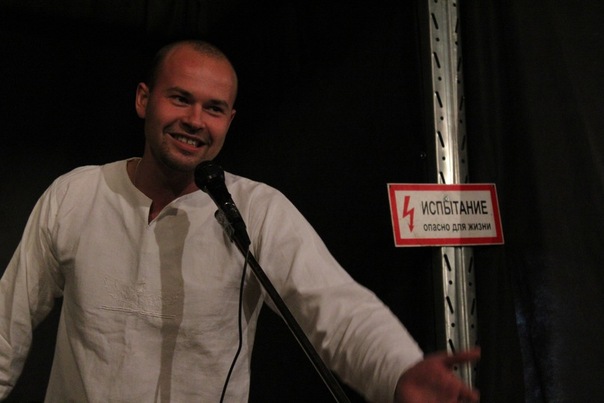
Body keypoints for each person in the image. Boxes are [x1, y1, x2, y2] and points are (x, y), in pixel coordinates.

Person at [0, 40, 480, 402]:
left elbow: (337, 309)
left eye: (213, 108)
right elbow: (7, 324)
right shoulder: (76, 194)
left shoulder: (256, 210)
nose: (195, 120)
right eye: (180, 98)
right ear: (144, 99)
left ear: (230, 120)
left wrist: (399, 371)